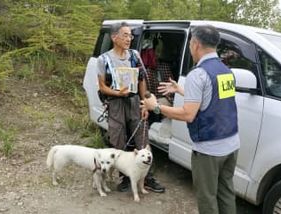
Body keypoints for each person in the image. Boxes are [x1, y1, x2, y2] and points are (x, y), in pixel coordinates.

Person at [142, 25, 239, 214]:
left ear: (195, 44)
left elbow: (188, 114)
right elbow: (212, 100)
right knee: (226, 192)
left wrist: (155, 106)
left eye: (190, 44)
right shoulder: (226, 71)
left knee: (207, 196)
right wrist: (180, 90)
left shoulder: (198, 73)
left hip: (209, 149)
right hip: (232, 144)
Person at [97, 22, 165, 193]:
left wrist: (144, 103)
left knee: (142, 138)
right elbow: (102, 87)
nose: (129, 39)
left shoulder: (134, 55)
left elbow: (141, 79)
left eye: (130, 35)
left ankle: (147, 178)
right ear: (114, 37)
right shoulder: (103, 59)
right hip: (115, 102)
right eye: (125, 35)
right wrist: (117, 93)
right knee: (117, 140)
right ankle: (125, 177)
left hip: (135, 101)